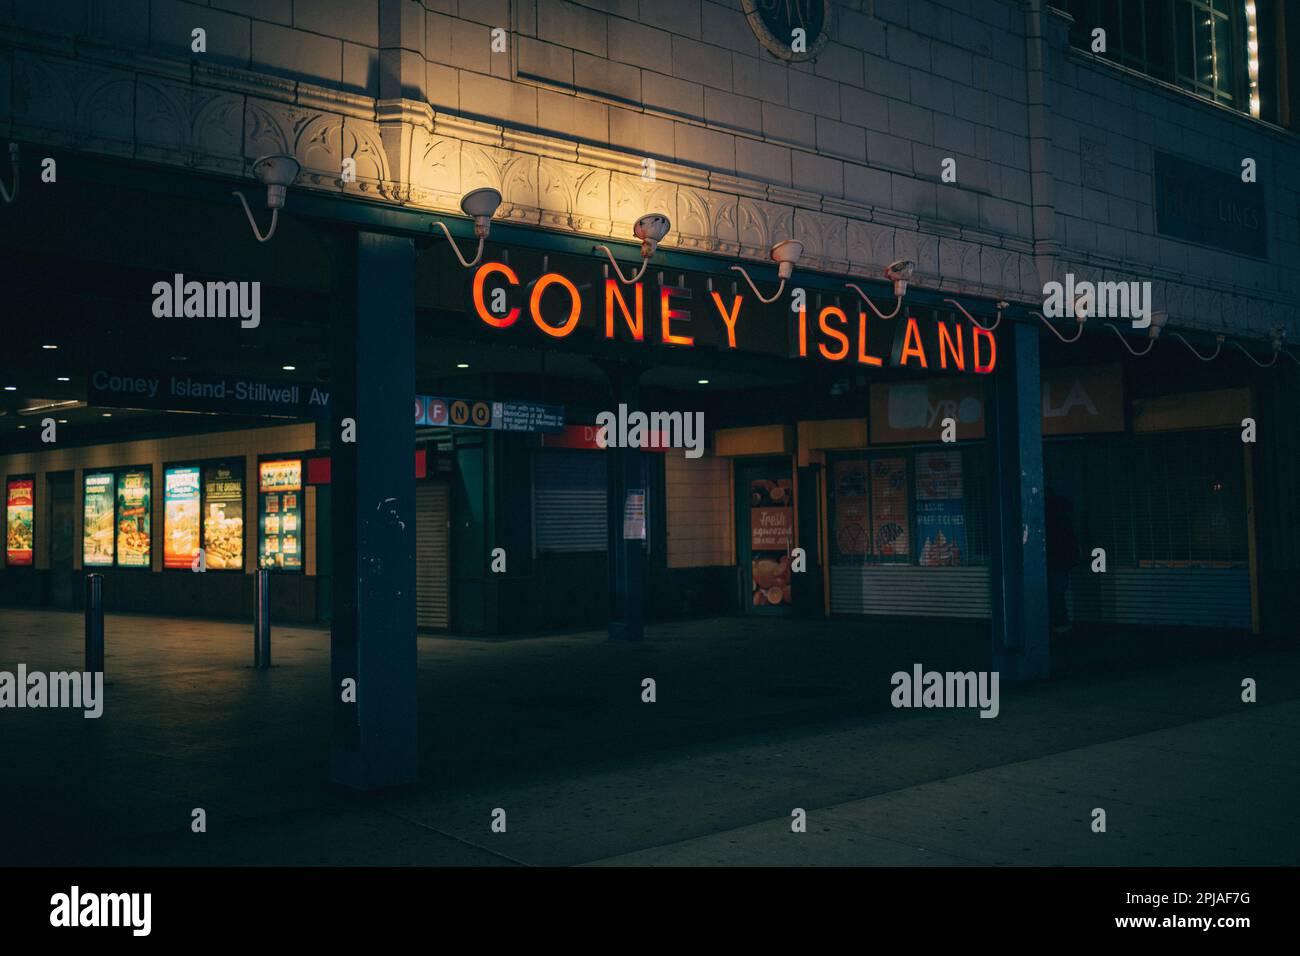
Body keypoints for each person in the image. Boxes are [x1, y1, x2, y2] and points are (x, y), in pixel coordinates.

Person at [1044, 489, 1080, 633]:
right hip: (1061, 562)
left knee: (1054, 594)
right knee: (1058, 594)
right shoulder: (1063, 521)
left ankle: (1058, 622)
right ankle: (1060, 623)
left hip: (1053, 561)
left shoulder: (1048, 521)